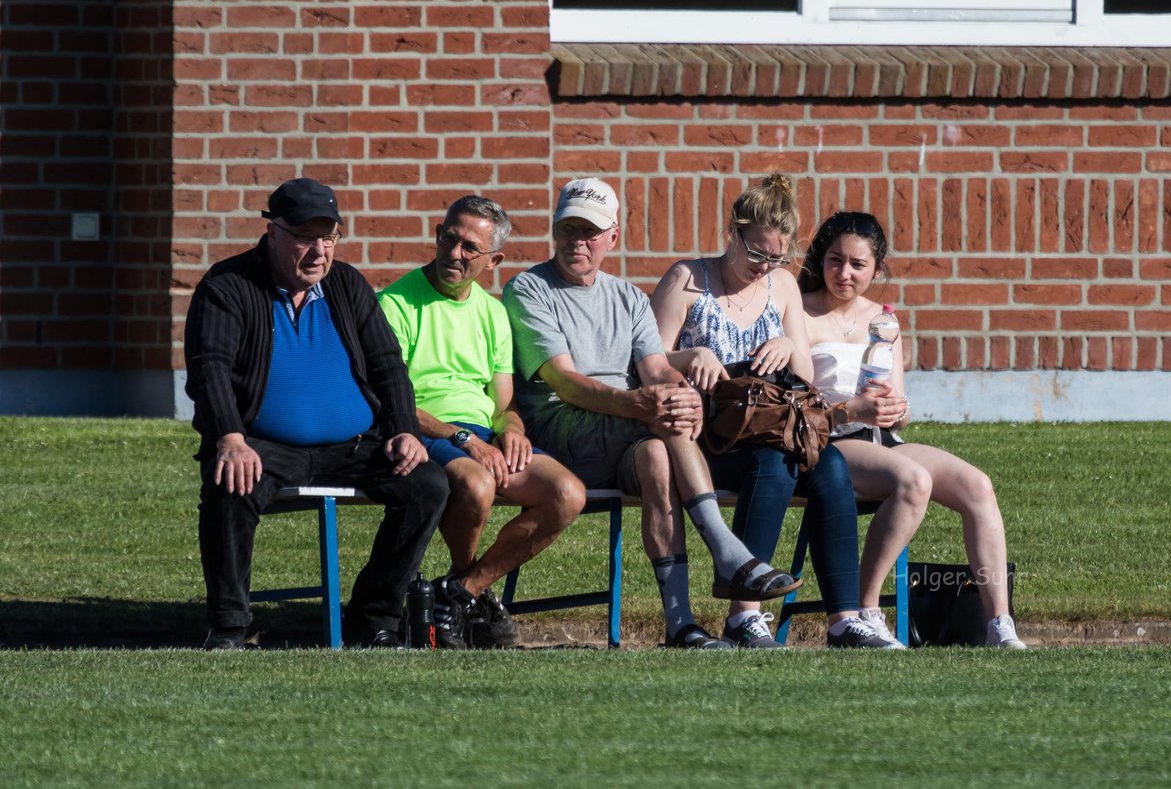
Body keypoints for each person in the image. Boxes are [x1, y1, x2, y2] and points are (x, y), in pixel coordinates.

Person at [502, 177, 800, 650]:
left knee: (660, 449)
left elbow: (656, 367)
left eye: (590, 232)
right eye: (569, 229)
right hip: (563, 432)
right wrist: (639, 403)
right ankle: (726, 552)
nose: (577, 241)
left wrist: (681, 394)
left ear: (612, 238)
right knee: (662, 417)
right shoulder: (529, 288)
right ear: (554, 230)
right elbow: (564, 381)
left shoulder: (630, 298)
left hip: (625, 433)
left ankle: (680, 625)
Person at [185, 177, 450, 650]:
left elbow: (389, 366)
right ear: (273, 233)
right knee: (230, 480)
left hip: (351, 447)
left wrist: (405, 430)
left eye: (329, 238)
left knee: (427, 484)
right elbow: (210, 372)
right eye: (305, 238)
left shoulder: (347, 285)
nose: (319, 252)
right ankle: (228, 625)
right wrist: (230, 436)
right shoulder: (228, 285)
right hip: (263, 446)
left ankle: (374, 617)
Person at [651, 173, 892, 650]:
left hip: (769, 424)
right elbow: (647, 362)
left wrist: (785, 342)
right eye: (756, 253)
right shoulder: (687, 279)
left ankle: (843, 618)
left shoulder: (781, 286)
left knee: (831, 464)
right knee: (774, 464)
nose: (763, 266)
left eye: (776, 256)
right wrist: (688, 356)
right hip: (708, 433)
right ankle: (745, 613)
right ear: (733, 234)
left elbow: (805, 372)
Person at [799, 211, 1027, 648]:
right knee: (913, 480)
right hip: (831, 440)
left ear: (877, 269)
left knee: (977, 486)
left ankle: (998, 623)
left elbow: (900, 414)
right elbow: (800, 405)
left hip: (882, 439)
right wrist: (855, 408)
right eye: (834, 260)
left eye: (857, 265)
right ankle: (866, 611)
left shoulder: (883, 320)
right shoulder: (803, 314)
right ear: (820, 259)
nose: (843, 273)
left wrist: (894, 408)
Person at [378, 195, 587, 649]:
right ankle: (466, 595)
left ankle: (460, 593)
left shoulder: (493, 314)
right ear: (437, 235)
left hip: (481, 434)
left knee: (567, 494)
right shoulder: (395, 303)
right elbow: (394, 399)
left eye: (470, 248)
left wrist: (512, 430)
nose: (455, 254)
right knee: (476, 484)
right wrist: (464, 438)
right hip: (427, 430)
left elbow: (504, 404)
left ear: (494, 260)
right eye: (449, 239)